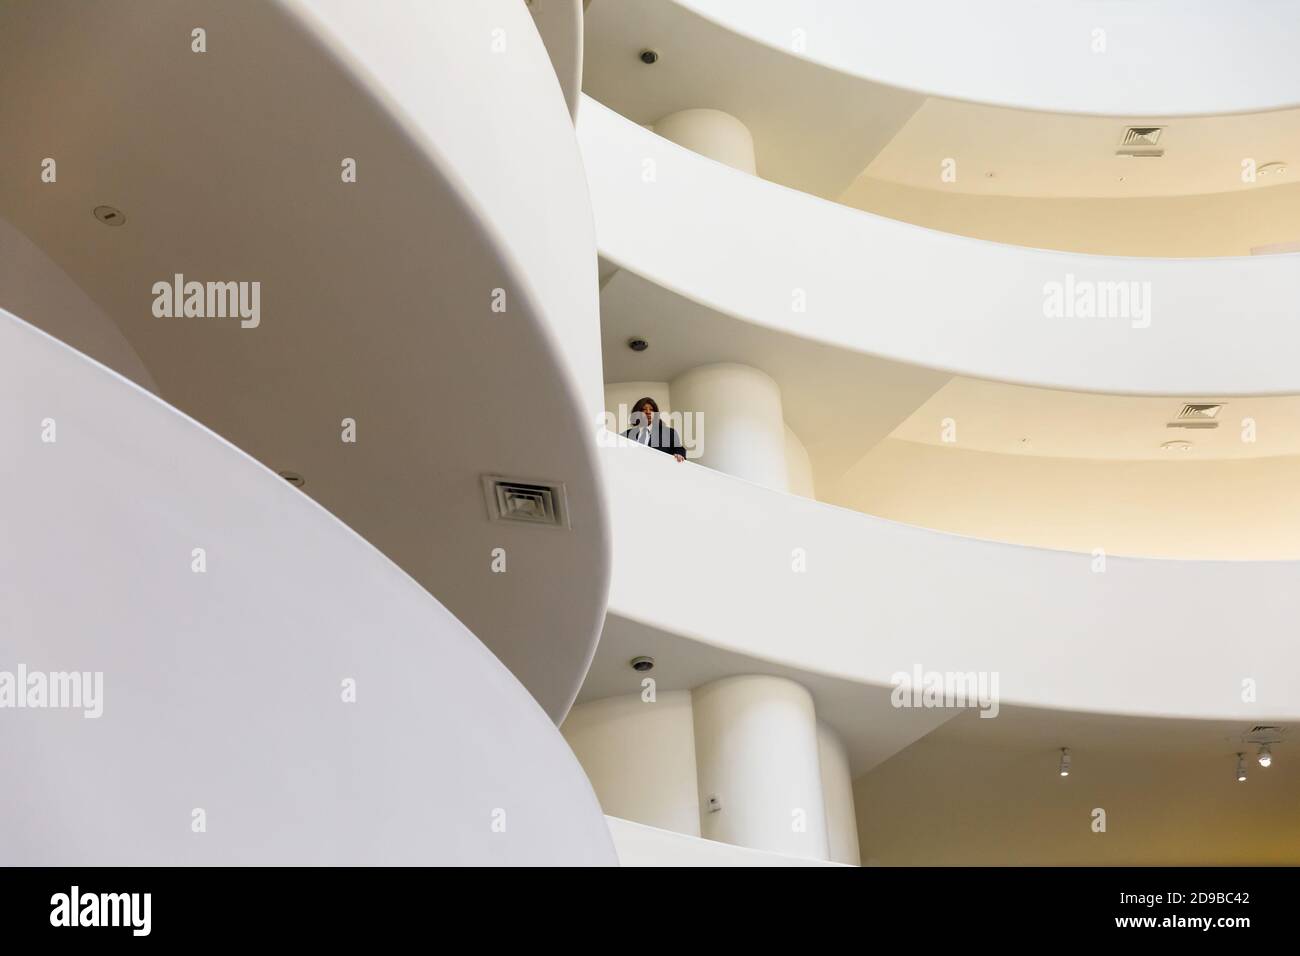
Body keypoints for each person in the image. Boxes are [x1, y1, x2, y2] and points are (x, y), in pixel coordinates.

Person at [623, 396, 685, 462]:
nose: (648, 412)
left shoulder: (669, 433)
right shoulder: (627, 435)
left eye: (651, 410)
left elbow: (679, 449)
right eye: (644, 409)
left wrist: (679, 454)